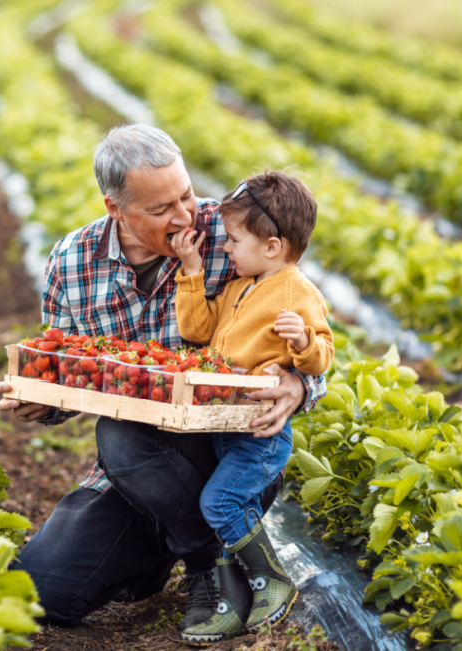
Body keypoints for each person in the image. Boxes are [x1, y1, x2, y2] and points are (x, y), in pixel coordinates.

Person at [0, 125, 327, 641]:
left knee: (119, 432)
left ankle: (207, 569)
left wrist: (301, 388)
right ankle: (165, 550)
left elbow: (310, 337)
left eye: (187, 194)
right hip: (133, 474)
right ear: (115, 209)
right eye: (160, 209)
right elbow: (71, 366)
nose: (185, 215)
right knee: (39, 593)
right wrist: (41, 400)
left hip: (221, 453)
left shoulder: (236, 233)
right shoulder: (71, 262)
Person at [169, 170, 333, 644]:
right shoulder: (242, 287)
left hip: (260, 431)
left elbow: (323, 352)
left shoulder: (296, 292)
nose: (226, 248)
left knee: (219, 503)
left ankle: (273, 580)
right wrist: (193, 271)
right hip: (226, 425)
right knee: (228, 510)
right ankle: (234, 600)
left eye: (233, 240)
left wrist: (302, 342)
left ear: (272, 246)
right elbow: (198, 331)